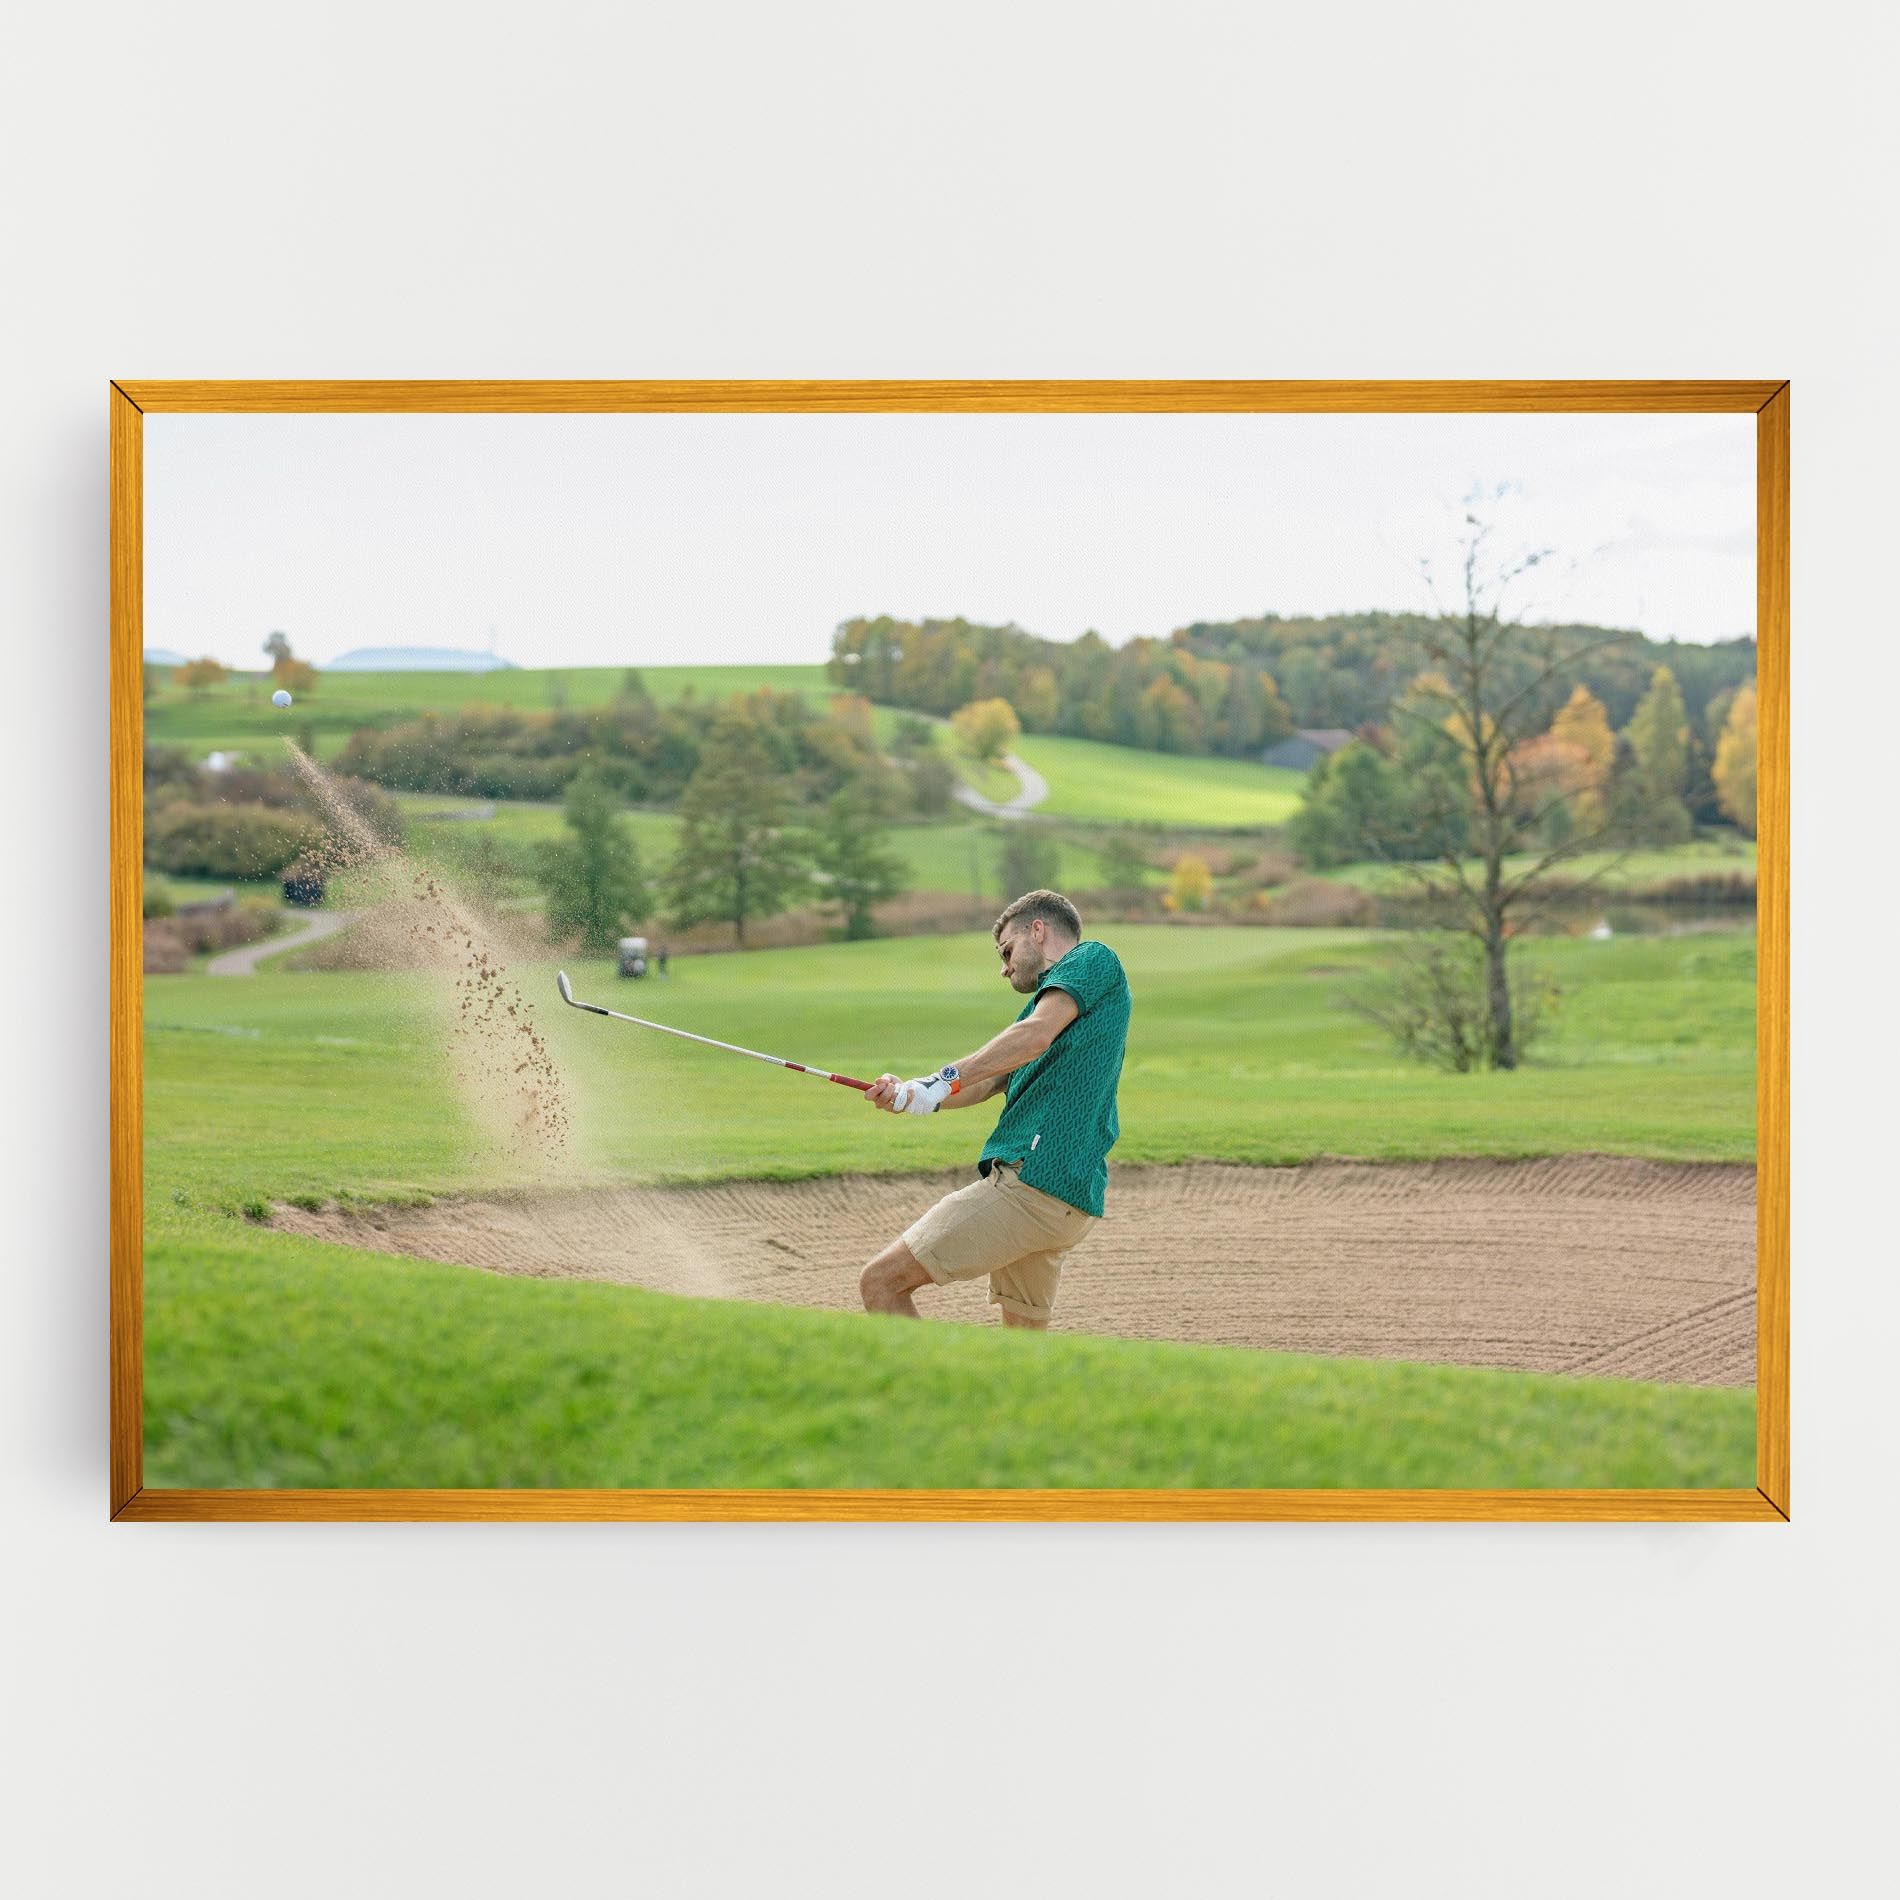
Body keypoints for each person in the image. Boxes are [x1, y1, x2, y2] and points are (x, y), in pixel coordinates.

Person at [859, 889, 1130, 1329]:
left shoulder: (1091, 959)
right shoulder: (1046, 1009)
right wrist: (911, 1094)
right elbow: (985, 1081)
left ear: (1038, 931)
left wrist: (940, 1081)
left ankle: (938, 1399)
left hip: (1031, 1183)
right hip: (1065, 1197)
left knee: (880, 1284)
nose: (1004, 968)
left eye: (1007, 950)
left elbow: (1034, 1035)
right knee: (1021, 1348)